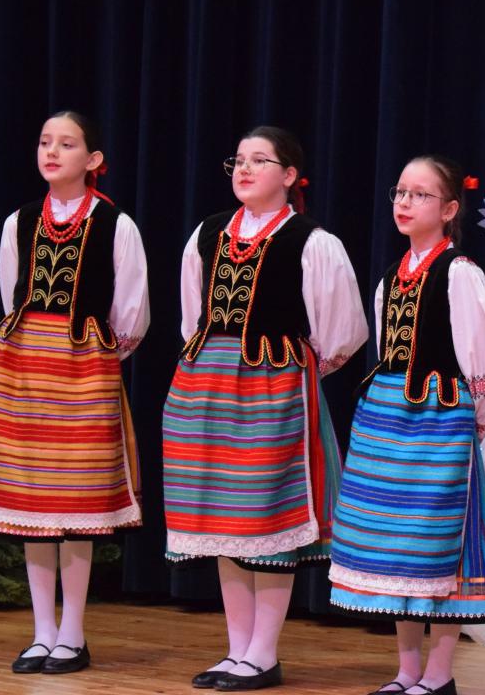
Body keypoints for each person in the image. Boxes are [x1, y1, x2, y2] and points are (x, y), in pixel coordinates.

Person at [161, 126, 367, 691]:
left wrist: (294, 370)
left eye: (260, 160)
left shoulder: (310, 240)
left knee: (266, 518)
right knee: (224, 522)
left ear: (290, 175)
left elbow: (342, 331)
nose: (245, 169)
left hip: (273, 386)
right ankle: (237, 650)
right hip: (207, 385)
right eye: (239, 160)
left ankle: (263, 652)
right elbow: (191, 315)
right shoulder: (207, 234)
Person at [0, 111, 150, 675]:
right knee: (31, 503)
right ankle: (42, 631)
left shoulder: (115, 224)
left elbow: (132, 312)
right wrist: (31, 345)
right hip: (24, 369)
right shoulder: (19, 221)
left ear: (93, 159)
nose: (51, 151)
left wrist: (95, 356)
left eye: (66, 144)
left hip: (82, 367)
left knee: (75, 503)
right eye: (45, 141)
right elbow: (11, 292)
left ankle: (73, 632)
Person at [330, 156, 485, 695]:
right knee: (396, 547)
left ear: (450, 209)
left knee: (437, 544)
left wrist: (472, 422)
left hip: (437, 420)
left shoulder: (458, 273)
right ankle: (407, 671)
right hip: (387, 419)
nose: (405, 203)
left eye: (420, 195)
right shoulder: (392, 276)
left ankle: (439, 673)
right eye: (401, 192)